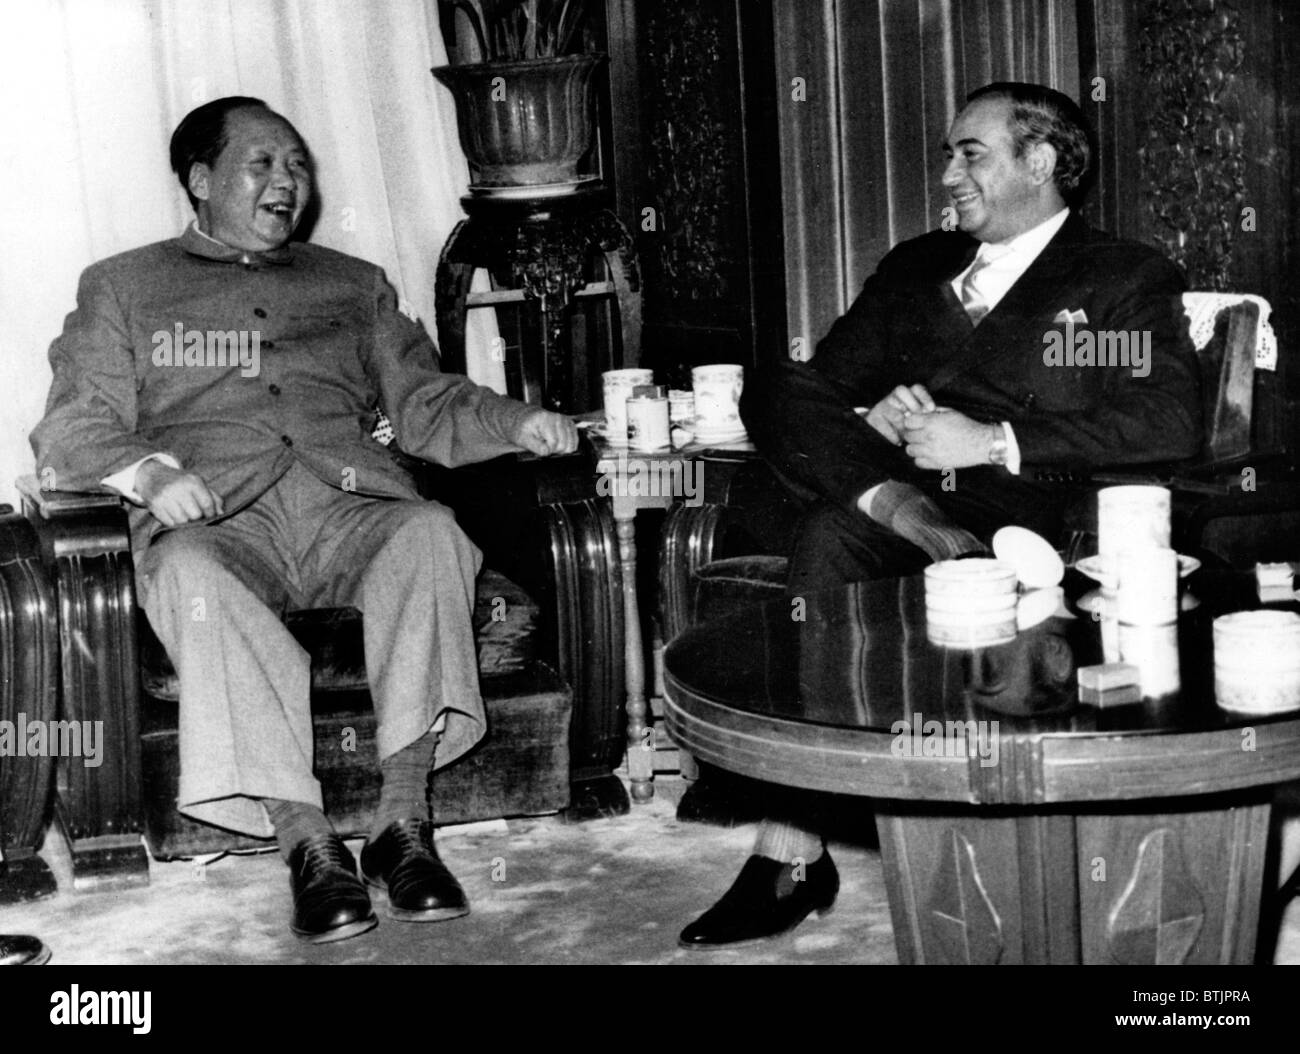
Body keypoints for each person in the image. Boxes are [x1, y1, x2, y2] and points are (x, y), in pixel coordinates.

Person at [31, 97, 577, 944]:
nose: (289, 181)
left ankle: (403, 825)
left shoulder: (353, 285)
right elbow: (71, 424)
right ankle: (308, 843)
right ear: (201, 180)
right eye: (263, 164)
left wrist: (516, 422)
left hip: (346, 505)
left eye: (297, 164)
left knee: (431, 533)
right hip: (218, 521)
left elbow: (425, 403)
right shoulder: (124, 285)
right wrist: (148, 473)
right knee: (190, 575)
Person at [679, 82, 1202, 948]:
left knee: (830, 530)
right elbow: (814, 390)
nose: (949, 173)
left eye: (971, 153)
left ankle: (792, 849)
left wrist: (991, 438)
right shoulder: (917, 267)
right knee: (768, 381)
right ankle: (915, 522)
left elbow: (1163, 419)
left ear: (1040, 161)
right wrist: (865, 416)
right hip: (899, 491)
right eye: (949, 154)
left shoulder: (1113, 279)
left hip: (1027, 515)